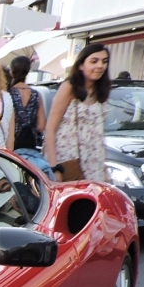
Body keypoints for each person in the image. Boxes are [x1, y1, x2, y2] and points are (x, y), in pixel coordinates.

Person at [44, 42, 111, 182]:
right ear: (81, 65)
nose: (100, 66)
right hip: (68, 159)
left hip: (94, 162)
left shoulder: (100, 90)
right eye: (94, 61)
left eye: (104, 62)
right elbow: (50, 129)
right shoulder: (69, 87)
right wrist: (54, 167)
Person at [7, 55, 52, 177]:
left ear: (12, 71)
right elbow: (41, 126)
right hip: (30, 144)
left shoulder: (8, 94)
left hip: (11, 144)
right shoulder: (36, 95)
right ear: (28, 72)